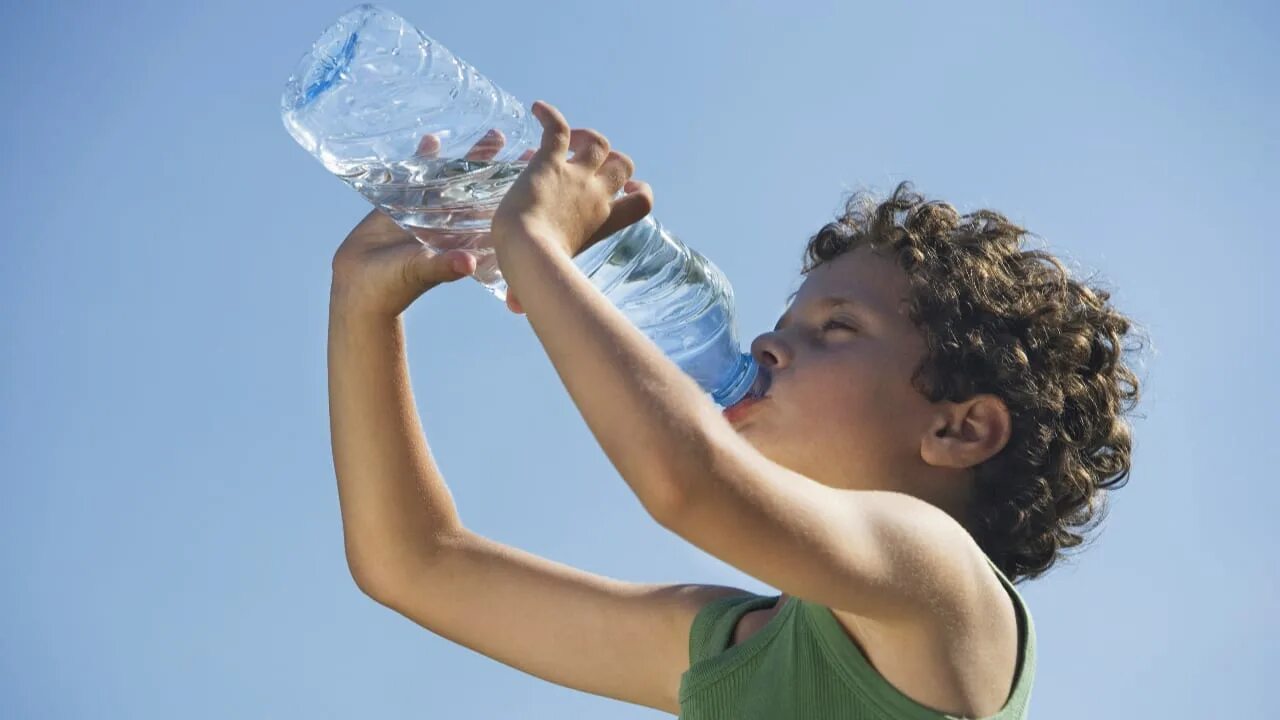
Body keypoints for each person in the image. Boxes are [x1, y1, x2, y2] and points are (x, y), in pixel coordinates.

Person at [327, 100, 1143, 719]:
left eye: (837, 329)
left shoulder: (939, 586)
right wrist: (362, 309)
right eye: (785, 324)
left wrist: (535, 244)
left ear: (958, 428)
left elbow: (685, 481)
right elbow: (415, 565)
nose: (766, 345)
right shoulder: (725, 644)